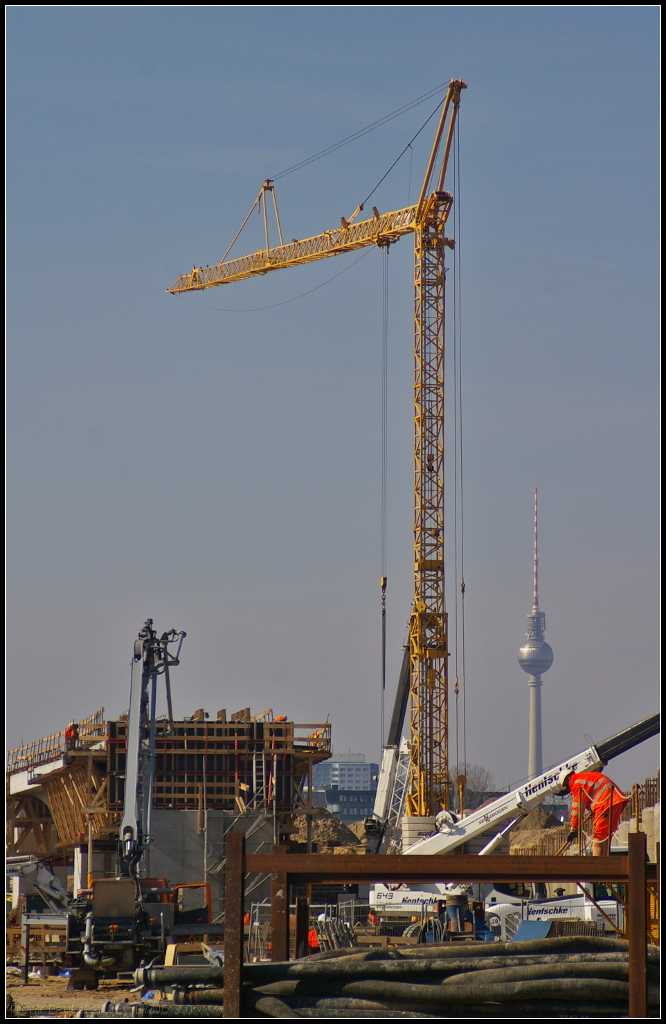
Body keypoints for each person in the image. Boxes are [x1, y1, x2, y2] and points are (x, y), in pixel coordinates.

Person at [557, 769, 629, 856]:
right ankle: (606, 861)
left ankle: (598, 864)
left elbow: (577, 809)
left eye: (566, 785)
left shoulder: (577, 783)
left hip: (605, 804)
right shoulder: (586, 777)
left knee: (598, 836)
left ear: (568, 778)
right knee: (606, 836)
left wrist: (574, 828)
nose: (568, 789)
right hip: (615, 801)